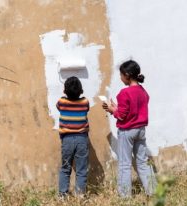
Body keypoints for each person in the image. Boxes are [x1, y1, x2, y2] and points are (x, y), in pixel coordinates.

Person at [103, 60, 157, 197]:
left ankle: (125, 196)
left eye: (121, 75)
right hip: (140, 130)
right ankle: (153, 191)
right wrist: (116, 109)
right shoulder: (143, 91)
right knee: (143, 162)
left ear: (127, 75)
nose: (120, 78)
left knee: (124, 164)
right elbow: (133, 111)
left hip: (127, 132)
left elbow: (121, 116)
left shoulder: (124, 93)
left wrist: (111, 109)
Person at [56, 76, 90, 197]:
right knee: (81, 169)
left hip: (67, 139)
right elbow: (86, 108)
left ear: (65, 91)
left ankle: (62, 195)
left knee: (65, 168)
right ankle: (80, 195)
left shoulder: (62, 102)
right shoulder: (85, 102)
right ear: (81, 90)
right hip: (81, 139)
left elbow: (58, 106)